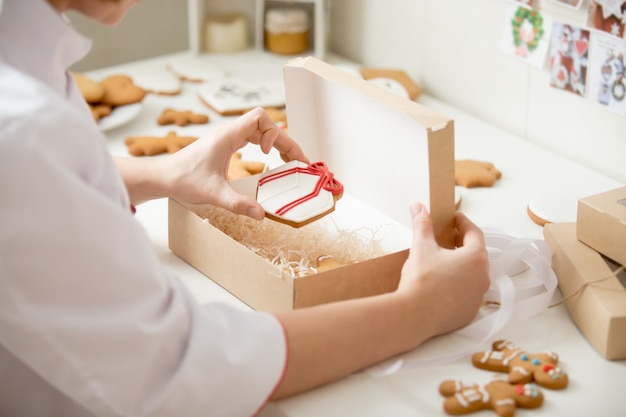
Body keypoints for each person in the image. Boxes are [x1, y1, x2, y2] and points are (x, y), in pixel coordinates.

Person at [0, 0, 490, 416]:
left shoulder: (26, 93)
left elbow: (36, 185)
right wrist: (421, 310)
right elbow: (182, 370)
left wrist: (162, 174)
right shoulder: (23, 127)